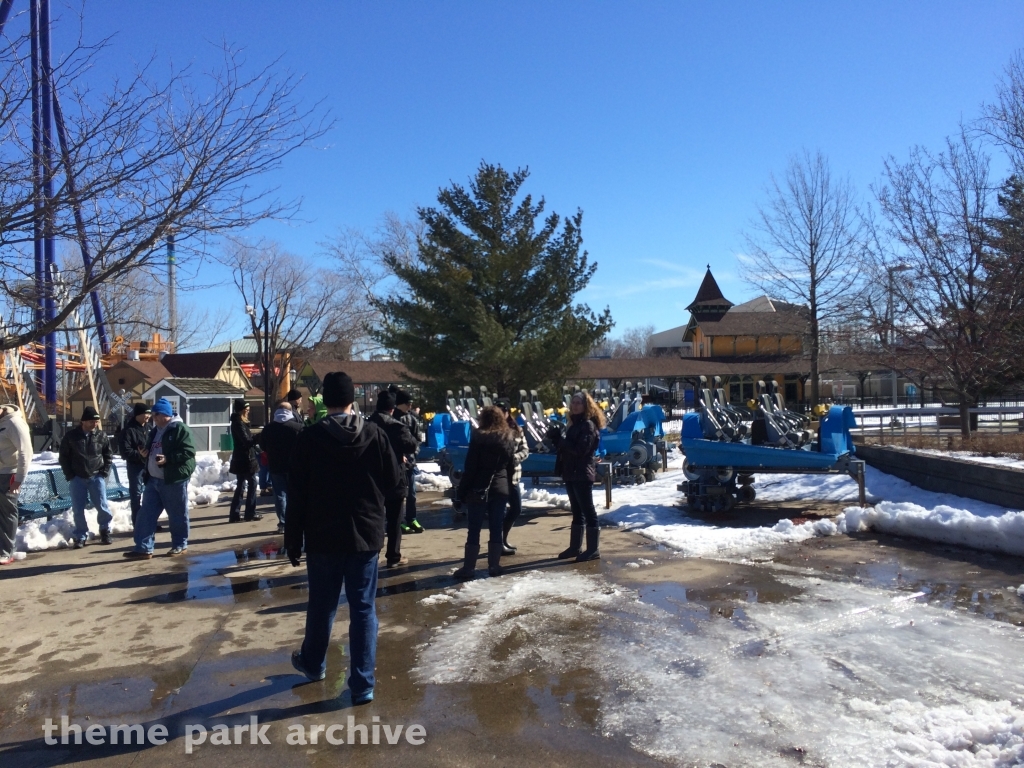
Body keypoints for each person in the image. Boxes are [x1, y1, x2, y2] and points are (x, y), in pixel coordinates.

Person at [286, 371, 403, 705]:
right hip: (365, 535)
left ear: (326, 400)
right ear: (352, 399)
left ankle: (313, 662)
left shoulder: (309, 439)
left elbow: (297, 494)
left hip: (323, 536)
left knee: (322, 604)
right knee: (363, 608)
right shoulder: (375, 435)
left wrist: (293, 539)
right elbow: (395, 482)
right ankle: (362, 682)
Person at [124, 398, 197, 559]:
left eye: (156, 414)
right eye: (152, 414)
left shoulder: (180, 429)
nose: (153, 417)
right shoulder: (155, 430)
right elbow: (152, 450)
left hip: (173, 479)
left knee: (177, 513)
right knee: (146, 514)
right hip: (153, 479)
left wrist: (168, 459)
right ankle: (143, 548)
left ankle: (179, 544)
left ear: (166, 414)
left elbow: (189, 452)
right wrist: (145, 454)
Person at [453, 405, 517, 579]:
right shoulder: (508, 438)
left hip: (478, 488)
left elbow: (470, 467)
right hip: (500, 488)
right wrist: (509, 487)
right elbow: (511, 466)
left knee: (474, 528)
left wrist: (462, 491)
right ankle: (494, 566)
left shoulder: (478, 438)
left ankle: (469, 567)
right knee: (496, 527)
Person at [548, 391, 605, 562]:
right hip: (572, 472)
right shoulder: (575, 424)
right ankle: (575, 547)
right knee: (576, 511)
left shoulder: (587, 425)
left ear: (586, 406)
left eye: (579, 403)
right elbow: (568, 448)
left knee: (588, 511)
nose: (575, 406)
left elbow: (581, 450)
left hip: (581, 472)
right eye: (573, 403)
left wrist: (561, 440)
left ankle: (593, 549)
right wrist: (556, 440)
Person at [367, 390, 418, 567]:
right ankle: (393, 556)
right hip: (394, 476)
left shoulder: (366, 425)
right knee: (395, 519)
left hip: (371, 478)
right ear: (392, 408)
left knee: (374, 518)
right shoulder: (396, 426)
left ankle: (372, 554)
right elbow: (411, 445)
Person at [59, 406, 114, 547]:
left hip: (96, 476)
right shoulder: (71, 436)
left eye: (96, 421)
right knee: (78, 509)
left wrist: (104, 472)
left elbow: (108, 455)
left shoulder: (101, 436)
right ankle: (80, 535)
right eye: (91, 421)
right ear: (83, 422)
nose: (94, 424)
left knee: (102, 506)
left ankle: (105, 530)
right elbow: (63, 457)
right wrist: (70, 474)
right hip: (77, 477)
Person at [260, 401, 302, 533]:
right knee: (294, 495)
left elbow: (262, 446)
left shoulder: (269, 428)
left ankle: (283, 523)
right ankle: (295, 521)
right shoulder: (298, 427)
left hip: (276, 466)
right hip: (294, 466)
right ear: (290, 412)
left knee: (280, 495)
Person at [0, 404, 33, 565]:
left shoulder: (14, 423)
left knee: (7, 514)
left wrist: (19, 478)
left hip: (8, 474)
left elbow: (25, 452)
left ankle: (6, 551)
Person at [495, 398, 529, 555]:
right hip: (498, 477)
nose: (501, 413)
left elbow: (525, 449)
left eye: (504, 410)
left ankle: (503, 537)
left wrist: (516, 457)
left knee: (516, 508)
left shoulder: (517, 429)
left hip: (513, 475)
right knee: (499, 511)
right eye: (498, 410)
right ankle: (497, 543)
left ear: (508, 413)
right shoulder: (492, 430)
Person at [394, 389, 424, 535]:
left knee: (411, 493)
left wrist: (413, 454)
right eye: (408, 403)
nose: (410, 406)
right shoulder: (392, 418)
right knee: (398, 494)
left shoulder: (411, 419)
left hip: (410, 463)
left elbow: (418, 438)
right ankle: (398, 522)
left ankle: (412, 518)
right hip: (396, 463)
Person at [118, 402, 152, 527]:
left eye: (149, 413)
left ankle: (150, 521)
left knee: (150, 494)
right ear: (138, 415)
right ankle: (138, 523)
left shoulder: (149, 428)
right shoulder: (128, 430)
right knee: (136, 495)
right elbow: (124, 451)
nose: (148, 416)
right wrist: (140, 455)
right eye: (145, 413)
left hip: (149, 466)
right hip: (135, 467)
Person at [228, 399, 262, 522]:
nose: (248, 412)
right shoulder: (238, 424)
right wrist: (259, 437)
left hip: (241, 459)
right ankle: (249, 513)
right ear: (241, 411)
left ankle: (235, 514)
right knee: (252, 484)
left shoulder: (239, 423)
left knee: (241, 486)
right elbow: (246, 442)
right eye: (246, 410)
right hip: (245, 459)